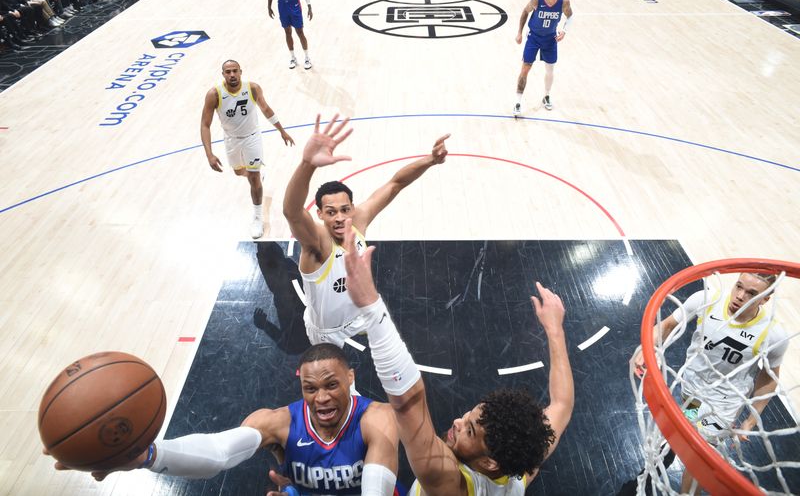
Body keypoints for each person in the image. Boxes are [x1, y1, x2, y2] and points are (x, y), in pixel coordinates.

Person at [341, 219, 575, 495]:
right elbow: (561, 403)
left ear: (489, 462)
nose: (458, 421)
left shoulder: (450, 482)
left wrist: (371, 307)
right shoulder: (521, 467)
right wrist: (554, 329)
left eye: (470, 430)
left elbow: (407, 404)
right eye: (470, 416)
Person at [48, 343, 400, 496]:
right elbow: (219, 451)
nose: (320, 398)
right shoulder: (278, 422)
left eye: (331, 385)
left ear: (350, 379)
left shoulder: (377, 418)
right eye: (310, 388)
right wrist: (148, 457)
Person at [283, 114, 449, 348]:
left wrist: (430, 160)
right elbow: (291, 212)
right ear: (319, 214)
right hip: (327, 331)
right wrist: (307, 164)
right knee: (333, 380)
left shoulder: (358, 220)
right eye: (331, 212)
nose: (340, 218)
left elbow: (395, 184)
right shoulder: (317, 242)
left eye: (345, 210)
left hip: (358, 316)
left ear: (352, 207)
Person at [632, 272, 790, 494]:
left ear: (766, 298)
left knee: (698, 461)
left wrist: (750, 421)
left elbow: (768, 378)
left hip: (723, 404)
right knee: (689, 418)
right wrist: (648, 348)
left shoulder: (772, 334)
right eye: (739, 286)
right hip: (692, 385)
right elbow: (666, 325)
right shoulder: (706, 300)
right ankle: (681, 438)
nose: (740, 296)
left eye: (751, 293)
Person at [200, 59, 295, 239]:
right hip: (231, 140)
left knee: (253, 178)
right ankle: (255, 176)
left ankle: (258, 218)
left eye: (235, 71)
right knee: (239, 173)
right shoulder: (214, 94)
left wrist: (281, 130)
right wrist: (209, 154)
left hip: (252, 138)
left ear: (241, 72)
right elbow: (205, 124)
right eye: (228, 72)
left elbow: (266, 109)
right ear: (223, 74)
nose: (232, 75)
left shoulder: (252, 88)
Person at [513, 0, 573, 116]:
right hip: (533, 38)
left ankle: (546, 95)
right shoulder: (536, 0)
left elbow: (570, 16)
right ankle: (517, 102)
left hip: (550, 39)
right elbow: (524, 12)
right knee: (525, 68)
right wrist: (519, 33)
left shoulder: (564, 2)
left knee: (550, 69)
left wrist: (564, 31)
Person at [268, 0, 312, 70]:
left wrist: (309, 5)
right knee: (287, 31)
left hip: (294, 4)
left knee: (300, 32)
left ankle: (307, 58)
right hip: (282, 5)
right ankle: (293, 57)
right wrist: (269, 6)